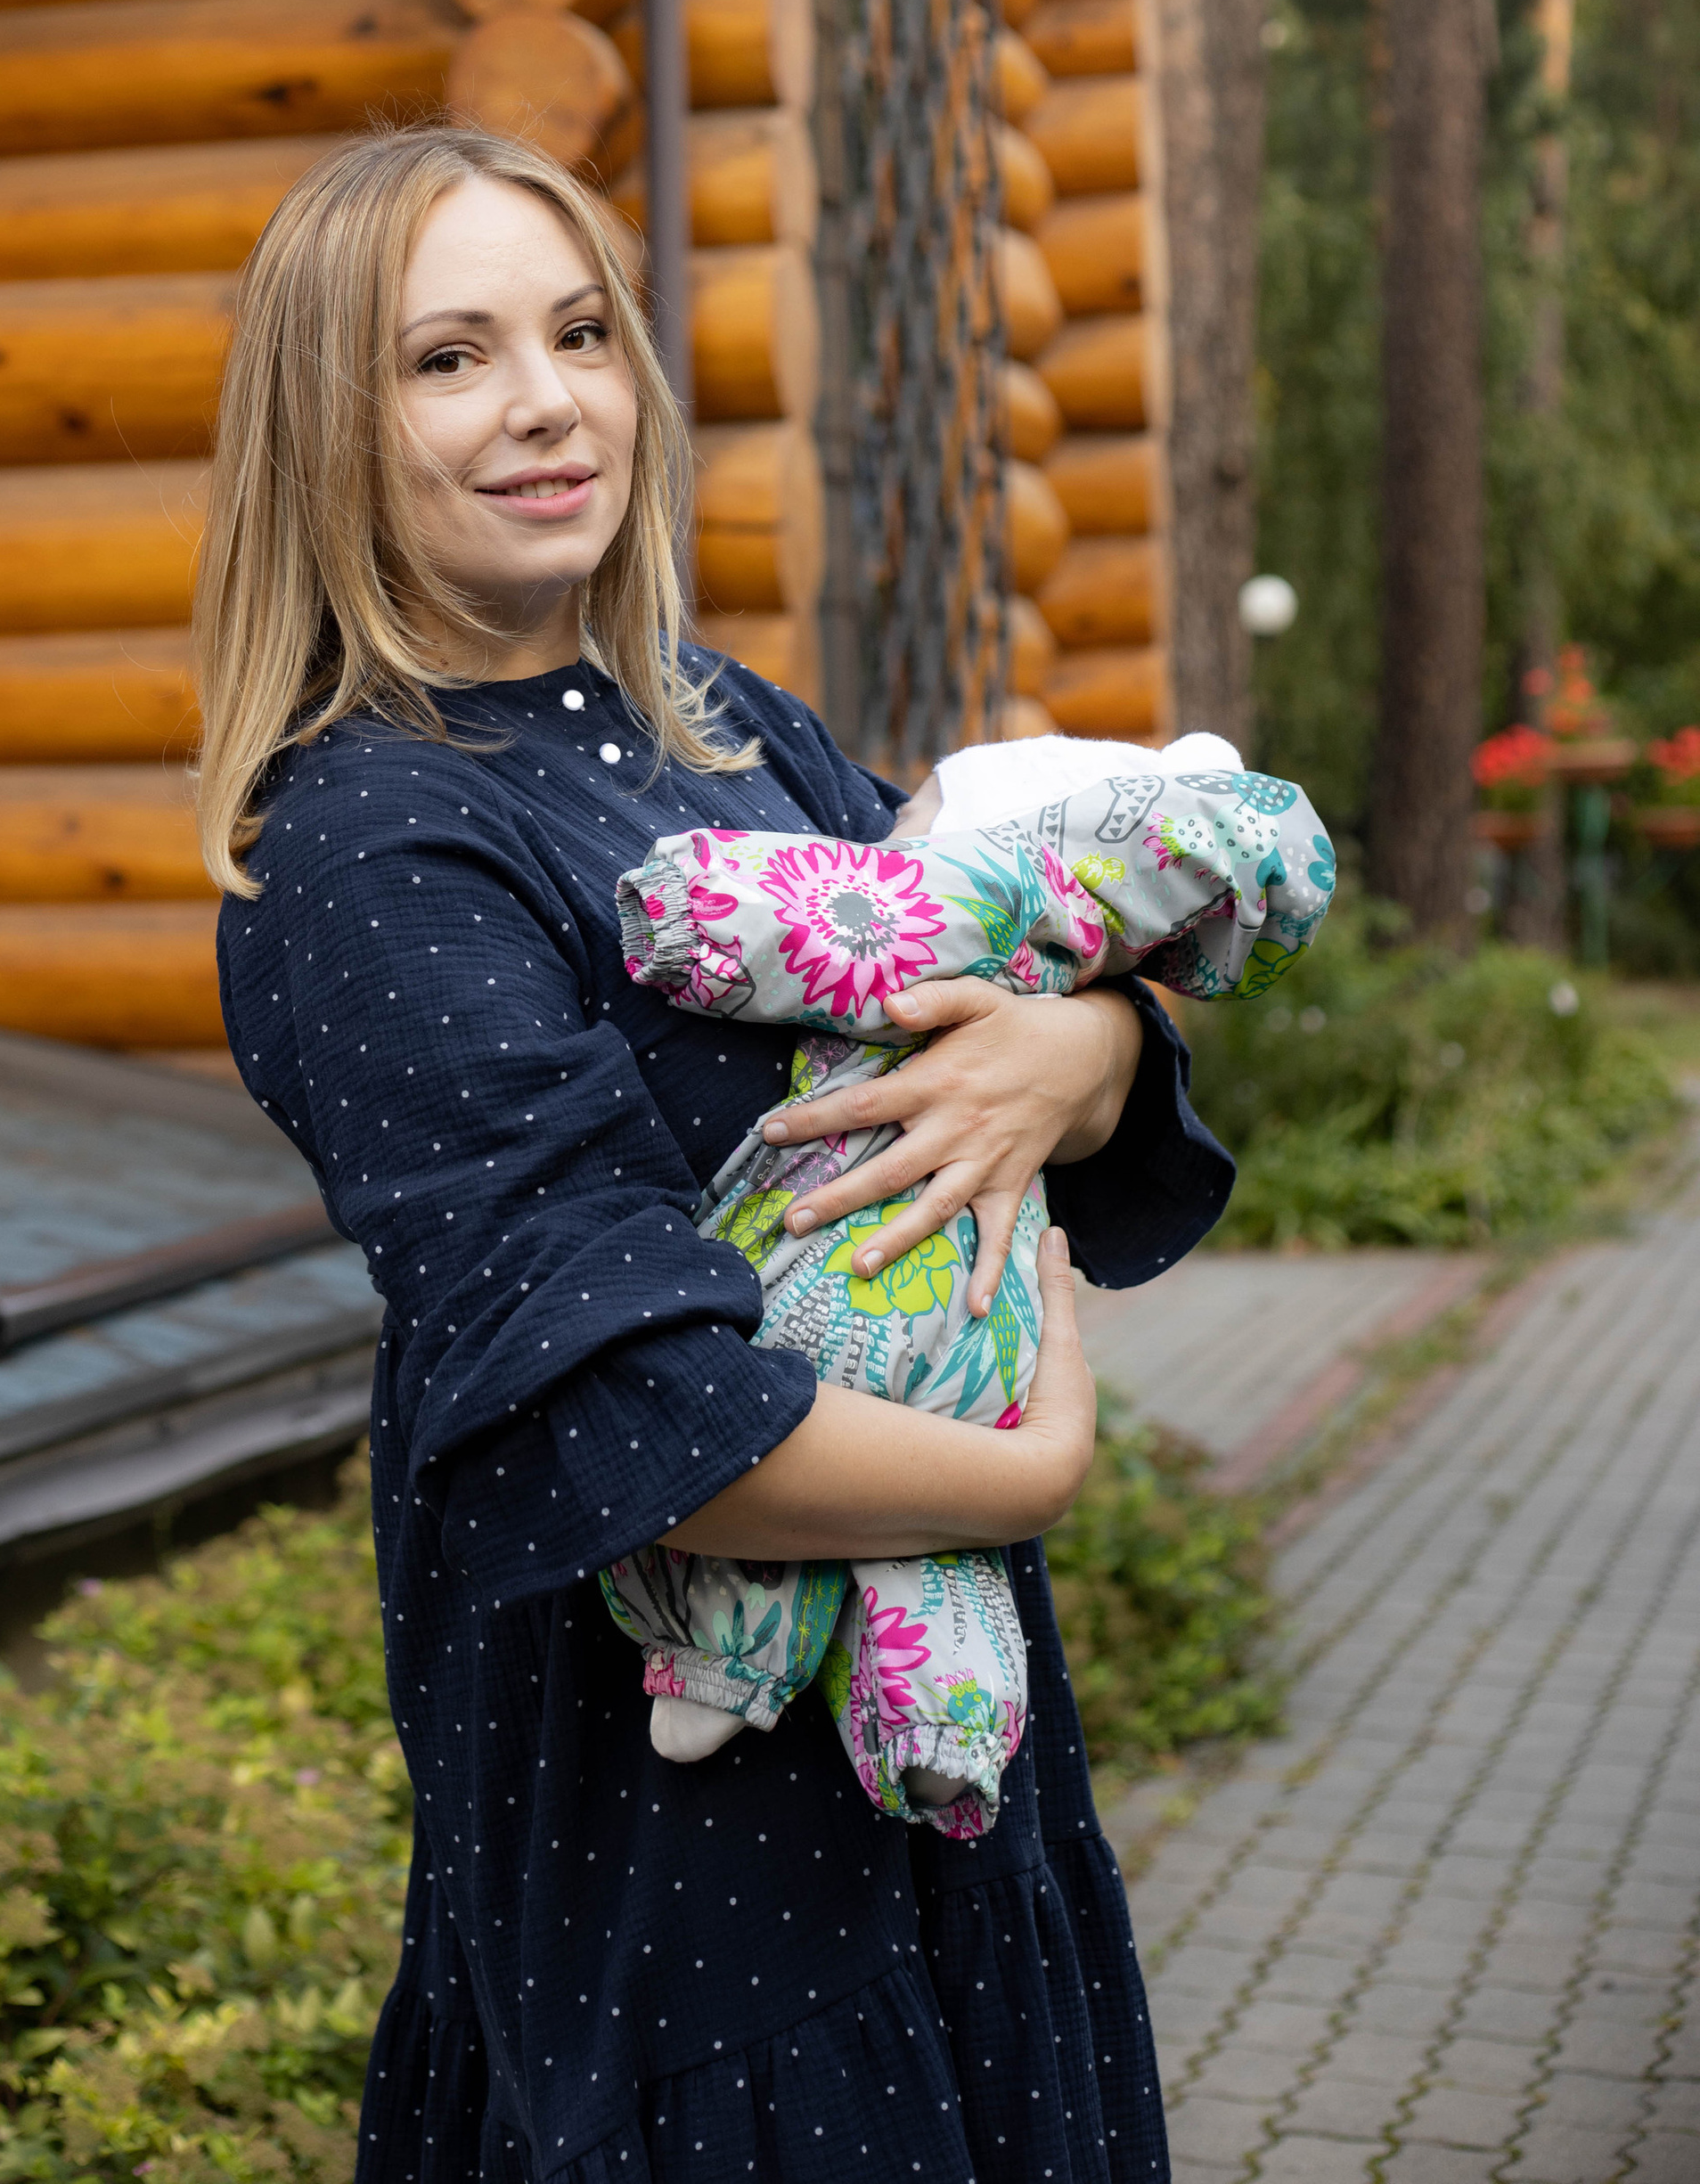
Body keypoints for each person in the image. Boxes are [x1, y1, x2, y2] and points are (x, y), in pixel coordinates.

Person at [200, 120, 1235, 2184]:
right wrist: (1031, 1463)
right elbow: (622, 1404)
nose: (544, 399)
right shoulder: (372, 846)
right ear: (328, 421)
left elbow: (984, 963)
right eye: (446, 357)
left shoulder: (713, 719)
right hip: (668, 1822)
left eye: (579, 328)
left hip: (937, 1738)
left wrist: (1085, 1041)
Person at [601, 733, 1333, 1828]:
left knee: (867, 1489)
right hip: (980, 1347)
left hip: (826, 1290)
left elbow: (811, 918)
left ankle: (724, 1665)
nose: (888, 827)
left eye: (920, 813)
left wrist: (686, 911)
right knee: (936, 1548)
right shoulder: (1055, 936)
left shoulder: (964, 893)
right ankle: (945, 1730)